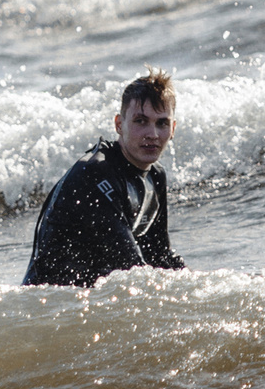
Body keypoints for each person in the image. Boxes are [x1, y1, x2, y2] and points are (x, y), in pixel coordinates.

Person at [21, 70, 186, 287]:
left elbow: (159, 257)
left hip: (91, 301)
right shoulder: (94, 174)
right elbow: (131, 269)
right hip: (49, 306)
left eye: (162, 123)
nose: (152, 134)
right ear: (119, 124)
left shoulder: (156, 176)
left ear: (173, 128)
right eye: (140, 121)